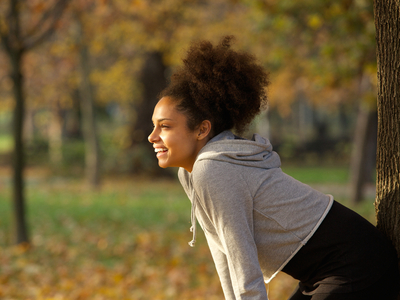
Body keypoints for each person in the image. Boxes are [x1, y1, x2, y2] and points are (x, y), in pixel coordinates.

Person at [147, 36, 400, 300]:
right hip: (321, 271)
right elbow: (222, 250)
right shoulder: (192, 172)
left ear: (202, 129)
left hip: (357, 263)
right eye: (154, 125)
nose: (152, 136)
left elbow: (241, 258)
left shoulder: (213, 169)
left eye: (165, 126)